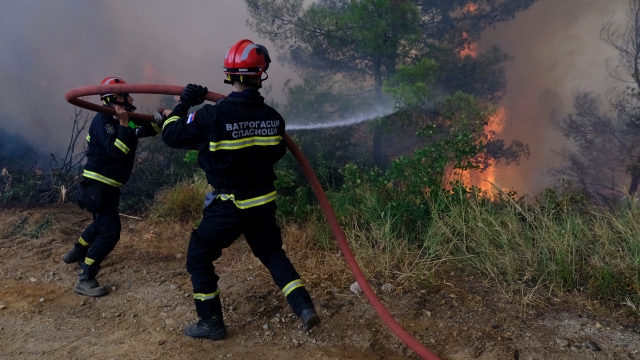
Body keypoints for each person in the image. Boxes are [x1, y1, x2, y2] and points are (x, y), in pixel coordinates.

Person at [155, 39, 320, 340]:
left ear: (229, 75)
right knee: (272, 254)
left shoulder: (212, 116)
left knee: (199, 255)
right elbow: (275, 154)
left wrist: (183, 102)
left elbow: (171, 135)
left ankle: (211, 324)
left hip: (229, 206)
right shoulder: (274, 119)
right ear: (260, 76)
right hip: (263, 203)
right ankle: (305, 308)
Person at [62, 76, 163, 297]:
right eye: (128, 94)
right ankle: (85, 276)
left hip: (104, 187)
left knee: (100, 224)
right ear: (117, 97)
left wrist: (160, 119)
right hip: (99, 187)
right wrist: (125, 124)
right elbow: (117, 151)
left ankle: (78, 252)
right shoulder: (104, 121)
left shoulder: (121, 120)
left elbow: (142, 130)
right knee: (110, 232)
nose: (132, 97)